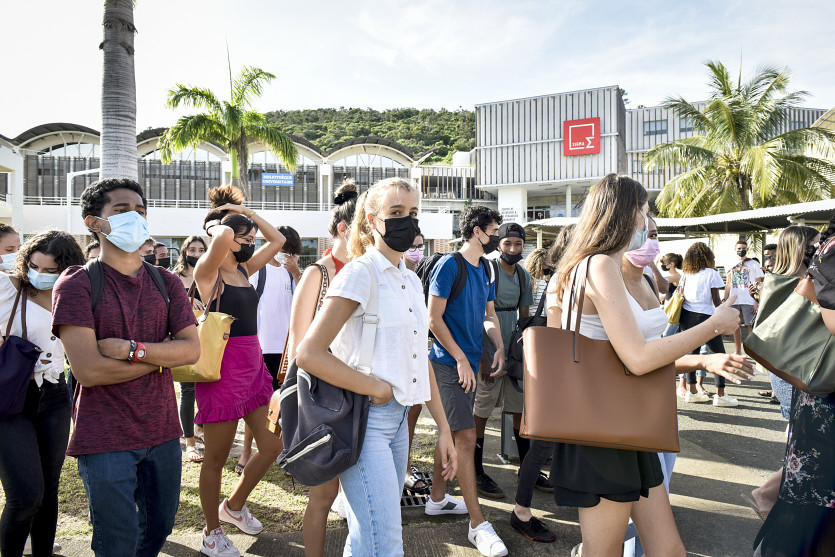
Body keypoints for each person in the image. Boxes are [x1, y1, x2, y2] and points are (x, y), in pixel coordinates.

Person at [547, 173, 746, 557]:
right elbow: (638, 359)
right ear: (625, 212)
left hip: (628, 424)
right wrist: (712, 326)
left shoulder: (618, 271)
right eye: (644, 209)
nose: (648, 219)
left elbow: (639, 357)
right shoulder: (599, 265)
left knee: (668, 550)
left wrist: (706, 359)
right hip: (603, 430)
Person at [296, 177, 458, 557]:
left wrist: (444, 427)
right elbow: (309, 353)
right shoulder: (359, 273)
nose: (408, 221)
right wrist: (377, 388)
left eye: (413, 212)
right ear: (372, 220)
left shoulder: (410, 280)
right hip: (366, 420)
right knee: (385, 544)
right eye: (396, 212)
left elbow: (420, 358)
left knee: (365, 536)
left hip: (399, 423)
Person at [52, 178, 201, 556]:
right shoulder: (77, 284)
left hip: (163, 432)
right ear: (93, 222)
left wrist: (131, 350)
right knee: (116, 541)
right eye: (121, 211)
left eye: (140, 211)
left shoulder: (167, 281)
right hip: (104, 438)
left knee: (157, 528)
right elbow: (89, 372)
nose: (134, 218)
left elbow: (191, 350)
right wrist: (160, 359)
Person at [194, 184, 286, 557]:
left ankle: (232, 507)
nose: (249, 242)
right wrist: (221, 219)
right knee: (216, 459)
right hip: (223, 372)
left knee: (273, 444)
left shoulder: (245, 268)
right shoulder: (208, 272)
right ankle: (211, 532)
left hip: (252, 368)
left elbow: (278, 240)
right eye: (244, 238)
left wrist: (247, 214)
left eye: (250, 238)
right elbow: (221, 237)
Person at [427, 205, 509, 557]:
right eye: (494, 230)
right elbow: (433, 318)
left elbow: (489, 315)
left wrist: (499, 345)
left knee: (452, 430)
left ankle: (437, 498)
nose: (498, 236)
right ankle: (478, 524)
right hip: (448, 364)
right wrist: (461, 358)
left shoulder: (487, 268)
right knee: (465, 437)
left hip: (469, 363)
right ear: (477, 231)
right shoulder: (450, 264)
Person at [753, 223, 835, 556]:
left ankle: (768, 497)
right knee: (814, 499)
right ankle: (768, 497)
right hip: (819, 387)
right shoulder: (829, 254)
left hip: (813, 382)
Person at [0, 231, 83, 557]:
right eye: (34, 266)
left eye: (50, 270)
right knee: (25, 496)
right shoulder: (8, 288)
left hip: (55, 395)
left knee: (48, 491)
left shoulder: (76, 296)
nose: (39, 274)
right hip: (11, 396)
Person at [285, 179, 357, 557]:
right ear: (344, 229)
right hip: (323, 396)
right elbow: (300, 348)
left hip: (363, 393)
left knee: (360, 492)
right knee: (323, 494)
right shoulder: (318, 274)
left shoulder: (369, 270)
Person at [745, 226, 821, 521]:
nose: (821, 247)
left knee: (803, 440)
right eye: (816, 243)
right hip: (797, 368)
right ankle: (767, 495)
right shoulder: (798, 283)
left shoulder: (775, 281)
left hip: (788, 366)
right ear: (801, 247)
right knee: (804, 441)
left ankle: (774, 497)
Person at [510, 229, 575, 544]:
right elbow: (558, 333)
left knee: (553, 445)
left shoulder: (578, 276)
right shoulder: (562, 280)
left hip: (569, 372)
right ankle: (521, 511)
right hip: (558, 373)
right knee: (542, 446)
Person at [473, 222, 538, 499]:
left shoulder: (524, 276)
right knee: (481, 412)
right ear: (498, 245)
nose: (513, 249)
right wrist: (482, 358)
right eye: (507, 243)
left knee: (519, 411)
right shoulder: (488, 271)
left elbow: (525, 318)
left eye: (518, 244)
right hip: (489, 352)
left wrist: (525, 359)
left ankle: (528, 469)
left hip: (514, 355)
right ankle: (476, 470)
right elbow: (478, 315)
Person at [236, 225, 302, 474]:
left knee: (286, 402)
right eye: (285, 249)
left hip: (287, 349)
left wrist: (295, 272)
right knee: (257, 404)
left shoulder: (292, 273)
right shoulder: (258, 269)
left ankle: (286, 451)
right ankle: (246, 452)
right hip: (261, 346)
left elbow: (306, 299)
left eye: (292, 251)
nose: (287, 255)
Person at [676, 242, 739, 407]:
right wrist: (724, 318)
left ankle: (692, 392)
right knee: (719, 354)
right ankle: (721, 395)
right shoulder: (712, 273)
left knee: (691, 355)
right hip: (706, 317)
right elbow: (716, 299)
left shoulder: (686, 274)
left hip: (687, 316)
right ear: (707, 257)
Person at [173, 235, 209, 463]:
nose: (196, 254)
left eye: (201, 250)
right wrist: (186, 302)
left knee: (208, 386)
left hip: (207, 338)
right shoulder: (174, 278)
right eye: (192, 249)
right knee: (188, 390)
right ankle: (189, 443)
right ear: (185, 251)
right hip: (184, 339)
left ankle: (200, 427)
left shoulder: (209, 275)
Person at [402, 228, 432, 495]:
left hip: (415, 358)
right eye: (412, 246)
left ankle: (405, 467)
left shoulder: (415, 278)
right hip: (395, 362)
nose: (417, 252)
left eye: (421, 246)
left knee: (413, 412)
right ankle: (402, 469)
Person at [724, 240, 764, 355]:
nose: (741, 250)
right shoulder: (730, 263)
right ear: (735, 249)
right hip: (734, 299)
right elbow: (728, 283)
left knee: (750, 326)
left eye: (743, 248)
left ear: (747, 249)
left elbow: (759, 284)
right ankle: (738, 351)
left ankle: (752, 352)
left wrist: (757, 302)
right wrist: (725, 300)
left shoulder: (754, 264)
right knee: (735, 327)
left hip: (749, 300)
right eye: (739, 248)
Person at [524, 247, 550, 315]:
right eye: (548, 263)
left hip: (545, 320)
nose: (550, 266)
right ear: (540, 264)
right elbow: (522, 304)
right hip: (532, 319)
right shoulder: (529, 280)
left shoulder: (547, 281)